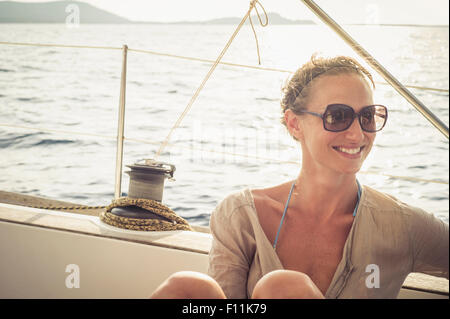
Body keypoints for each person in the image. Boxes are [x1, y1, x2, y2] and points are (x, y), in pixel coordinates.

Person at [150, 55, 449, 299]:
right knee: (188, 288)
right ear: (294, 124)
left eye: (368, 116)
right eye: (338, 116)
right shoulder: (242, 216)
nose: (358, 133)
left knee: (282, 288)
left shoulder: (402, 225)